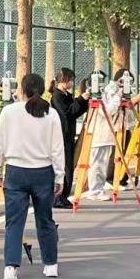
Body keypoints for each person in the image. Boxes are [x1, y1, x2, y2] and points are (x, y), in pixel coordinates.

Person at [0, 73, 63, 279]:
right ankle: (51, 264)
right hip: (43, 172)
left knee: (14, 222)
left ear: (22, 90)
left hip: (15, 171)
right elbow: (57, 149)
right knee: (45, 219)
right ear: (42, 90)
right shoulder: (51, 114)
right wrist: (60, 176)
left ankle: (11, 267)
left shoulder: (9, 112)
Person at [85, 71, 129, 201]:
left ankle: (99, 189)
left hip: (106, 134)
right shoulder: (98, 97)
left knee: (102, 165)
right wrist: (117, 98)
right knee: (97, 165)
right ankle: (94, 191)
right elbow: (108, 111)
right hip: (99, 134)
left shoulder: (105, 93)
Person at [49, 69, 88, 209]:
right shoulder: (57, 97)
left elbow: (75, 112)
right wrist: (81, 99)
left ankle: (64, 196)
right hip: (62, 136)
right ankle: (58, 197)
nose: (72, 82)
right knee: (64, 166)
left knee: (69, 166)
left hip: (69, 135)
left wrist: (84, 102)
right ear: (64, 80)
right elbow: (68, 112)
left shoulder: (66, 95)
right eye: (70, 79)